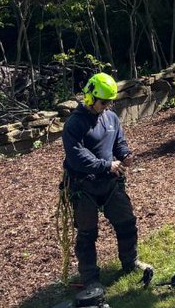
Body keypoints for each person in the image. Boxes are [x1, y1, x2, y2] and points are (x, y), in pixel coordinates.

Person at [61, 72, 152, 287]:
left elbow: (118, 142)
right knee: (87, 234)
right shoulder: (75, 124)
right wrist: (106, 165)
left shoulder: (110, 118)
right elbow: (77, 157)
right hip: (84, 186)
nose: (108, 106)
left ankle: (130, 262)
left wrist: (125, 155)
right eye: (104, 102)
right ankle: (90, 278)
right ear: (91, 97)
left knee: (127, 222)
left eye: (111, 102)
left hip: (110, 183)